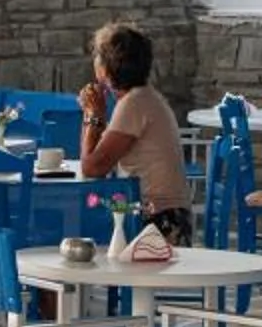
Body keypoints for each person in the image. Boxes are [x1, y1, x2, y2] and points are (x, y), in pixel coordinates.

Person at [78, 21, 193, 246]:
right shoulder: (142, 98)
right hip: (162, 216)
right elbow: (99, 161)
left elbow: (92, 168)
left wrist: (93, 114)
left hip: (159, 221)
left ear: (107, 67)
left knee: (83, 232)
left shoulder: (135, 103)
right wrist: (95, 115)